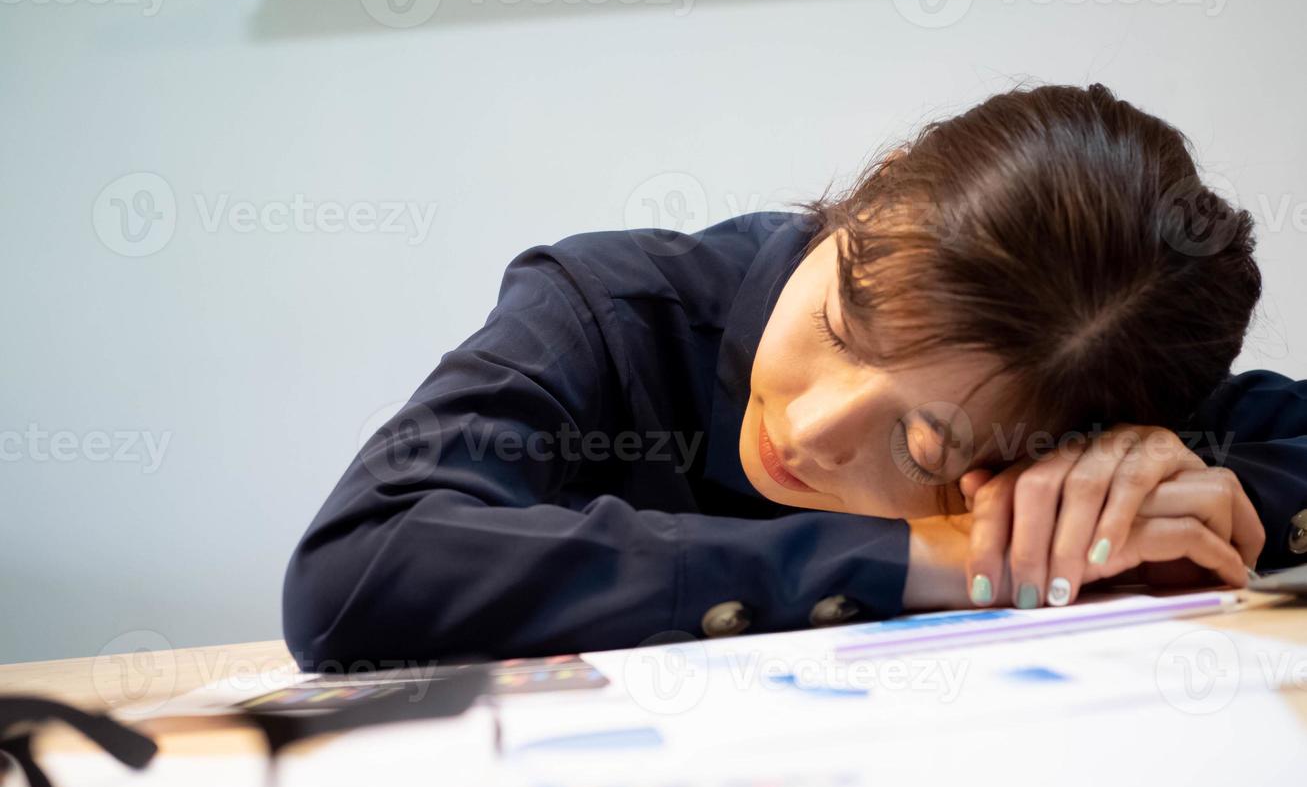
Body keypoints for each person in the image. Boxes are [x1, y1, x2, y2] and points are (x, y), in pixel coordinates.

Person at [282, 83, 1307, 669]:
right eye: (845, 319)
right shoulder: (602, 307)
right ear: (871, 198)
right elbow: (356, 573)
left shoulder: (1074, 358)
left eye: (922, 444)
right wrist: (913, 552)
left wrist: (1152, 497)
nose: (813, 425)